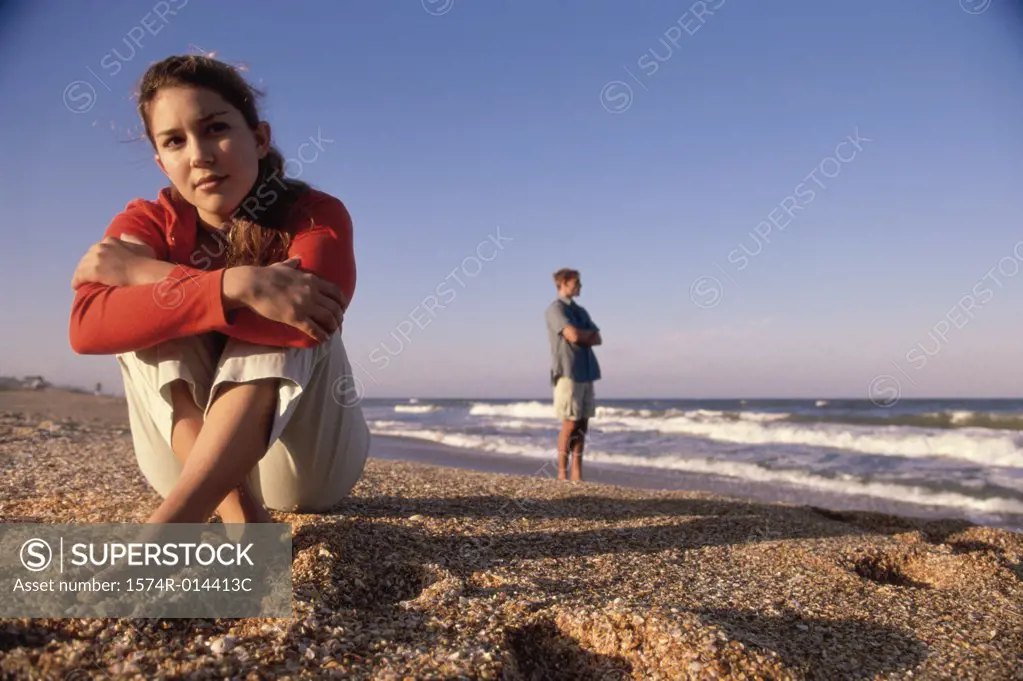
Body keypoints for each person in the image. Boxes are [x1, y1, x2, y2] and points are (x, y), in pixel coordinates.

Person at [68, 54, 370, 525]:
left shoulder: (313, 214)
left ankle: (168, 531)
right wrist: (234, 284)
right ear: (161, 161)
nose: (199, 155)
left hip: (305, 475)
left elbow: (309, 317)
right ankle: (241, 518)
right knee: (151, 321)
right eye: (174, 141)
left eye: (215, 129)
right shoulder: (147, 223)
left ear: (259, 138)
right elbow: (87, 326)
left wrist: (150, 274)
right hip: (184, 466)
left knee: (287, 309)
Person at [545, 268, 602, 481]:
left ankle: (577, 471)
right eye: (576, 282)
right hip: (568, 371)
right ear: (564, 283)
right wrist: (583, 335)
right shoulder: (555, 309)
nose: (580, 286)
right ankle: (562, 472)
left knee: (583, 422)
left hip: (587, 370)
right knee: (570, 422)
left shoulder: (581, 311)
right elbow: (573, 334)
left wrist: (582, 336)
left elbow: (597, 338)